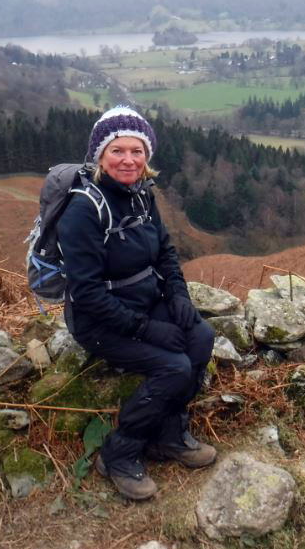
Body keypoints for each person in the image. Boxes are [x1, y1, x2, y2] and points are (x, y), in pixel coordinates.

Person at [57, 106, 216, 500]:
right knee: (174, 366)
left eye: (137, 151)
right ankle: (119, 453)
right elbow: (87, 293)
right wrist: (147, 329)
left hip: (145, 303)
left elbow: (165, 251)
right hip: (99, 321)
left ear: (147, 157)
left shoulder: (142, 195)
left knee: (201, 337)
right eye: (117, 150)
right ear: (100, 154)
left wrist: (177, 296)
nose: (128, 159)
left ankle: (168, 434)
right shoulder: (83, 209)